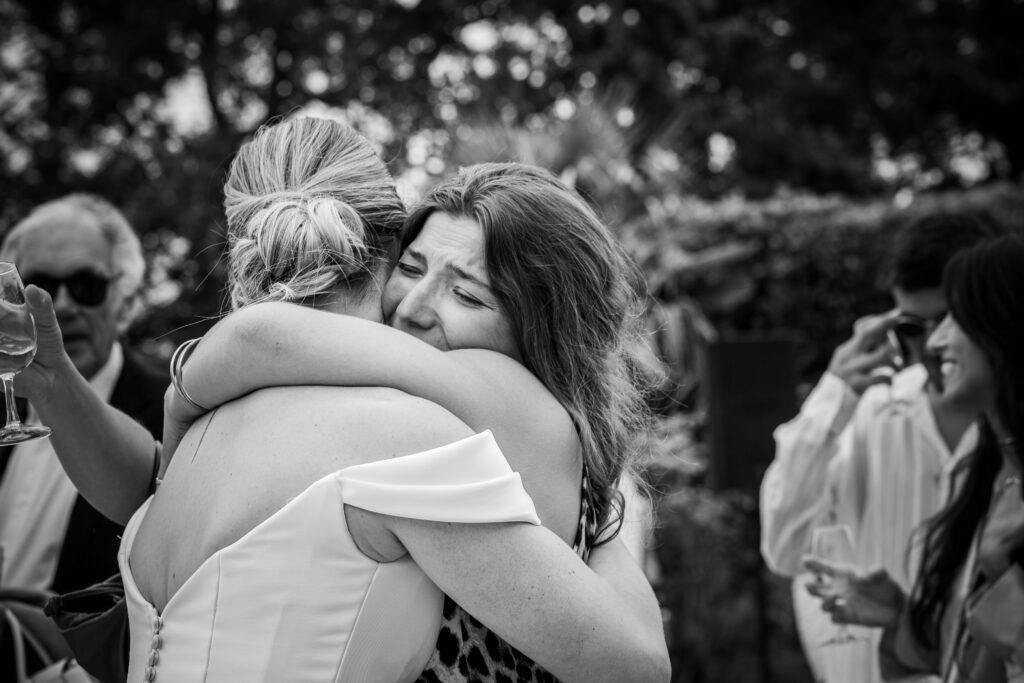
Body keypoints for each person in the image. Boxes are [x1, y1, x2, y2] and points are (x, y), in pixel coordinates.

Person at [18, 118, 669, 682]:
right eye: (414, 269)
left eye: (467, 294)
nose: (416, 309)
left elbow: (249, 357)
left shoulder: (212, 430)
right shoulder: (409, 438)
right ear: (388, 247)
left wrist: (186, 383)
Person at [759, 211, 1002, 683]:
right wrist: (830, 397)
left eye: (949, 319)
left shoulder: (1011, 440)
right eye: (913, 326)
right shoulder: (870, 411)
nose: (934, 344)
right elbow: (785, 550)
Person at [0, 194, 167, 595]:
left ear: (125, 301)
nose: (61, 305)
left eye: (86, 286)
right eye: (39, 286)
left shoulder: (173, 413)